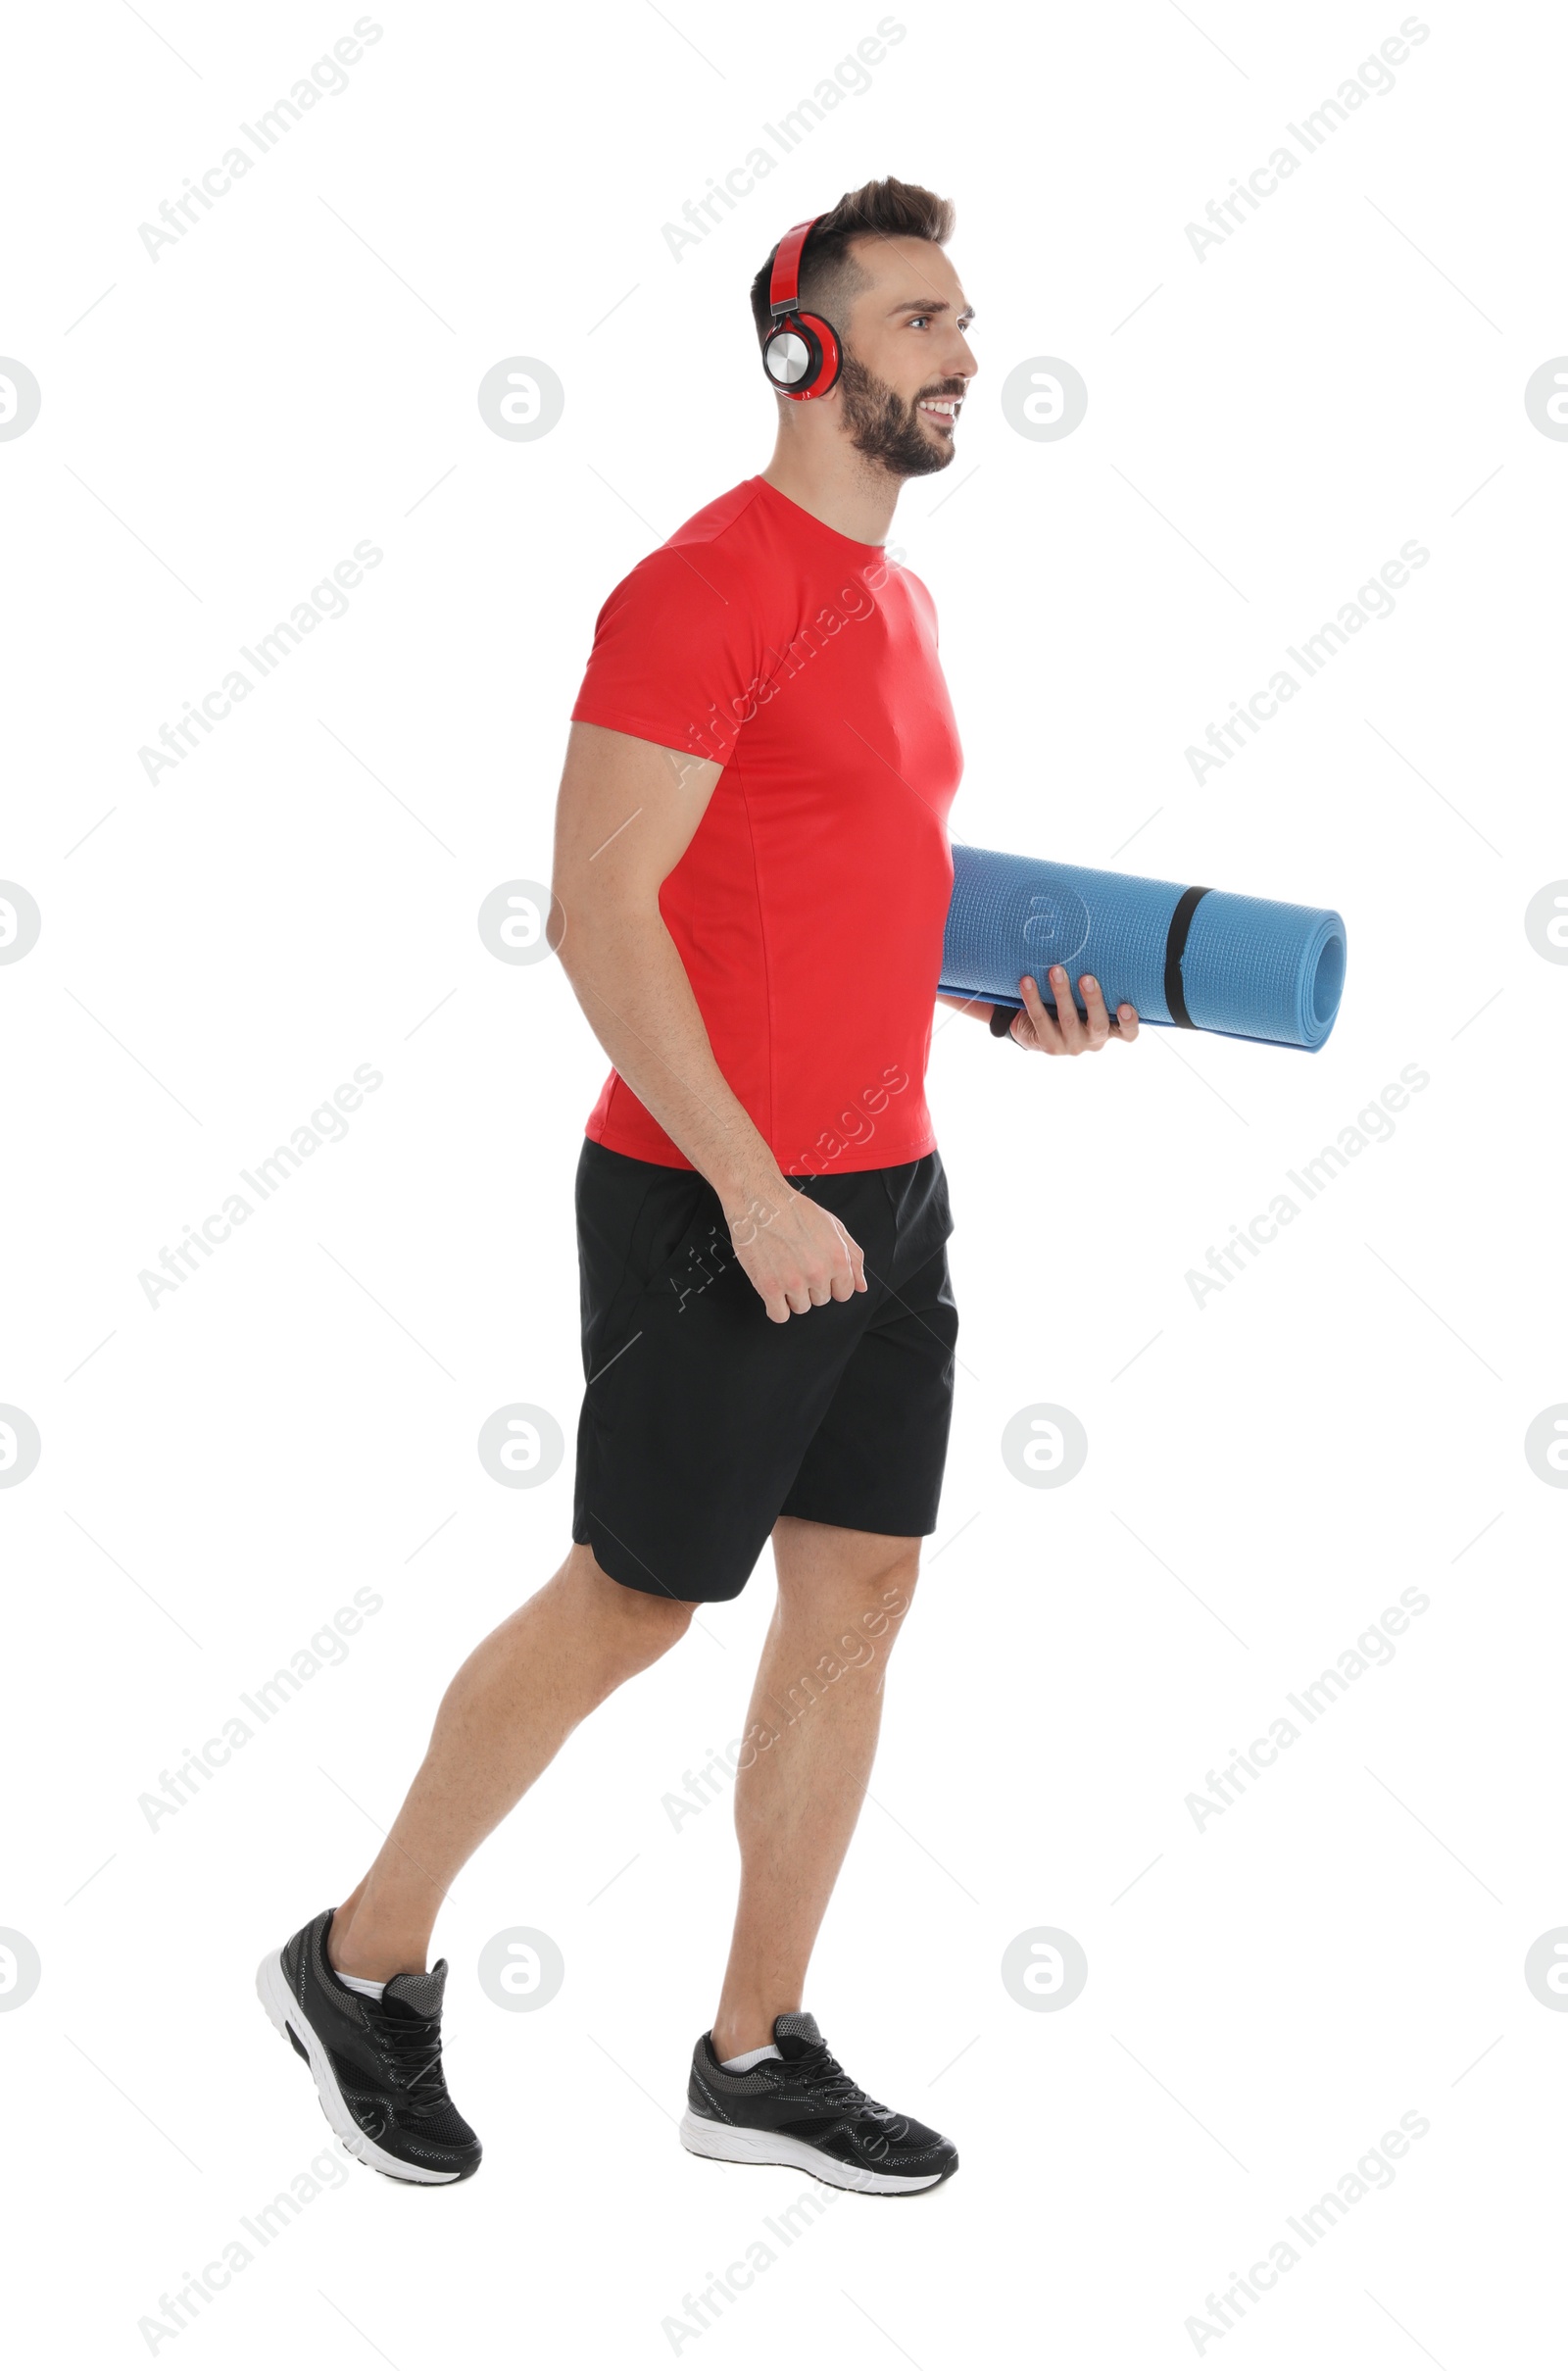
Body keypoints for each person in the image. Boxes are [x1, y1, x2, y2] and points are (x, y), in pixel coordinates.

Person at [257, 175, 1139, 2196]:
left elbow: (839, 889)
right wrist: (746, 1185)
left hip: (885, 1189)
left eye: (958, 318)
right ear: (803, 352)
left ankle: (754, 2046)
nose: (964, 355)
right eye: (921, 320)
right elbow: (592, 908)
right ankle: (357, 1959)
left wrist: (1008, 1009)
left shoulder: (900, 605)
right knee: (637, 1600)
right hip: (709, 1200)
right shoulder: (699, 585)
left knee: (862, 1592)